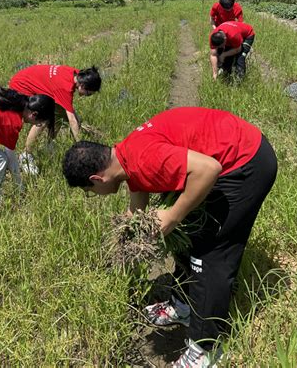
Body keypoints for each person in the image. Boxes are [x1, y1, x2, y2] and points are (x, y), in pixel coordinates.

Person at [62, 107, 277, 367]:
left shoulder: (143, 159)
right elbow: (137, 196)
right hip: (230, 150)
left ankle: (205, 350)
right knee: (187, 238)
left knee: (209, 257)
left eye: (89, 190)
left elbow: (209, 169)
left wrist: (173, 216)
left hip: (245, 163)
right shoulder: (124, 155)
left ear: (97, 178)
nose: (93, 194)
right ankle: (184, 306)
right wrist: (129, 236)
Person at [8, 64, 102, 174]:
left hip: (28, 80)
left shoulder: (76, 74)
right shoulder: (65, 88)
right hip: (21, 86)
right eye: (88, 94)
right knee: (42, 118)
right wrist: (82, 147)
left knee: (59, 113)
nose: (86, 96)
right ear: (82, 86)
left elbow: (70, 116)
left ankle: (48, 144)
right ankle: (26, 155)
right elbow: (72, 120)